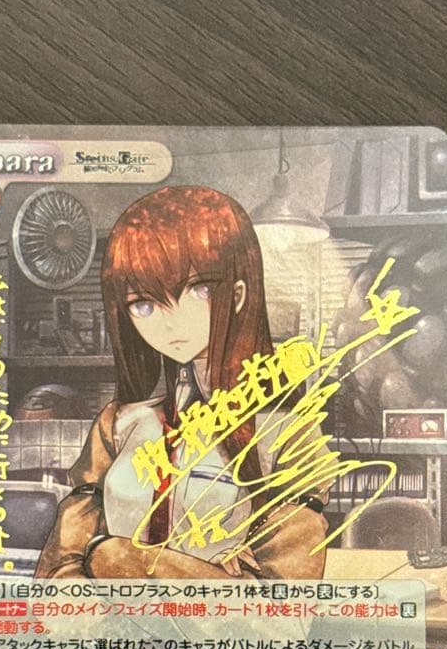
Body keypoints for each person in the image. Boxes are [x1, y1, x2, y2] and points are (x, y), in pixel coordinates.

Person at [35, 184, 331, 582]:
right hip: (114, 623)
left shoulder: (287, 429)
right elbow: (60, 573)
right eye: (143, 304)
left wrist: (118, 558)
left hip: (224, 624)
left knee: (110, 554)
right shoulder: (117, 425)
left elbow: (282, 597)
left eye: (198, 290)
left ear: (237, 294)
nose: (171, 320)